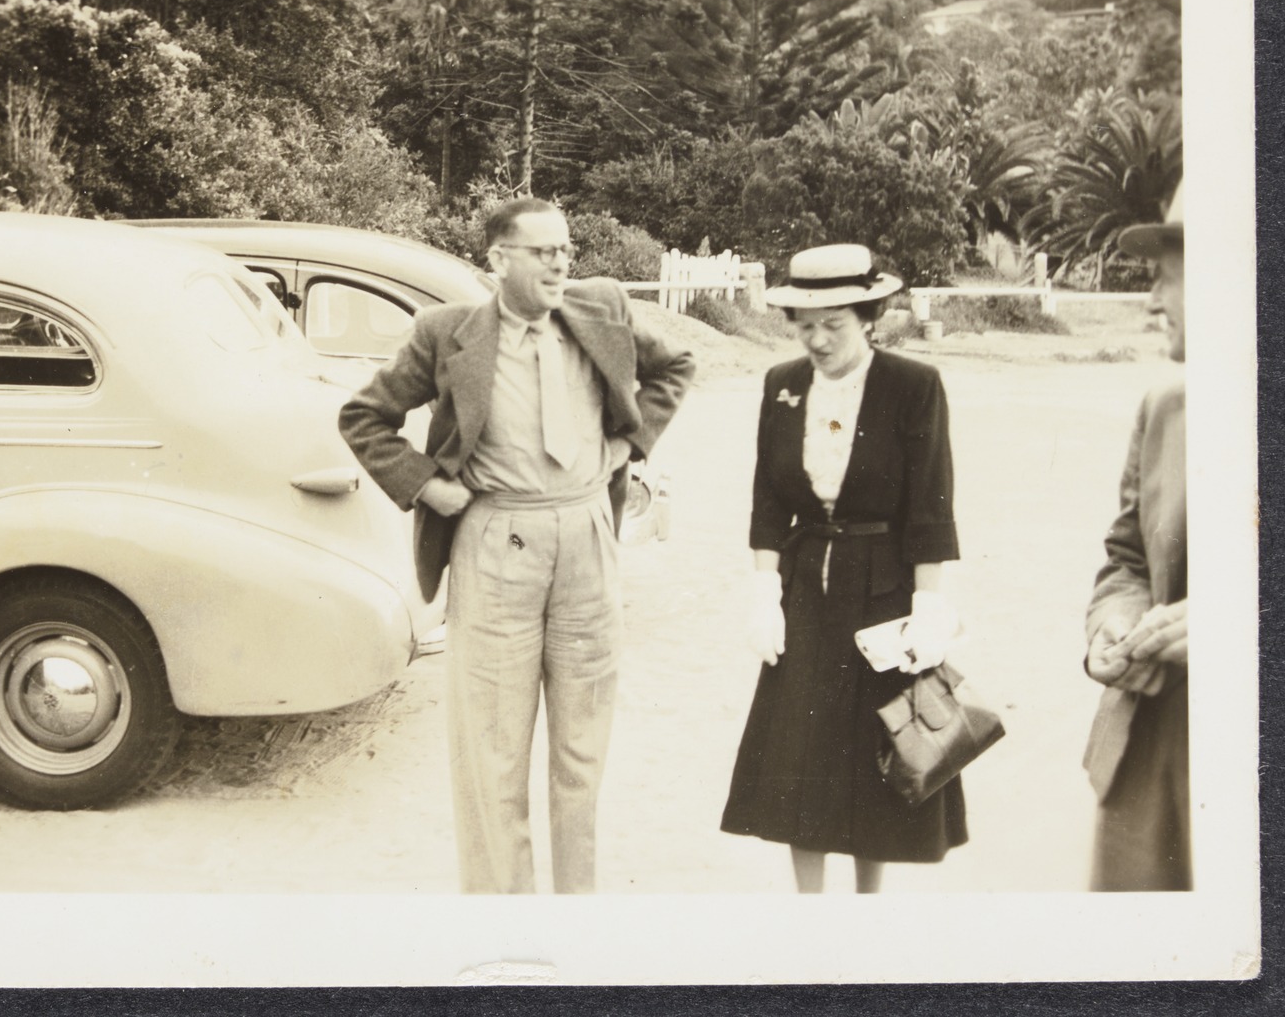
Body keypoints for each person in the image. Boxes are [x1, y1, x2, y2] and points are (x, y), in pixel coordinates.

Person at [339, 197, 695, 893]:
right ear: (499, 260)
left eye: (566, 250)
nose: (561, 263)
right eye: (543, 252)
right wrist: (425, 485)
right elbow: (364, 416)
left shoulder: (603, 308)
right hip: (496, 541)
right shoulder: (446, 333)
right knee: (492, 746)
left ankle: (573, 909)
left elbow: (675, 366)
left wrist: (629, 444)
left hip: (588, 537)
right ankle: (503, 915)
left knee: (582, 744)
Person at [720, 243, 964, 893]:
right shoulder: (782, 385)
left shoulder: (912, 386)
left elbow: (930, 505)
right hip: (805, 590)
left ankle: (866, 906)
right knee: (801, 755)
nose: (818, 340)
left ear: (868, 317)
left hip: (884, 592)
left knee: (874, 751)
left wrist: (928, 608)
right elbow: (769, 501)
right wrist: (764, 590)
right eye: (805, 325)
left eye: (834, 324)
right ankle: (811, 907)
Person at [1082, 183, 1189, 891]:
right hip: (1146, 763)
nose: (1153, 301)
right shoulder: (1164, 407)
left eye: (1167, 278)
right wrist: (1114, 627)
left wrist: (1236, 626)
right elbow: (1126, 559)